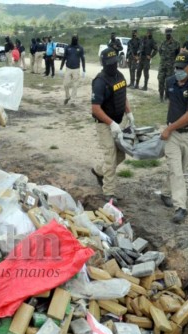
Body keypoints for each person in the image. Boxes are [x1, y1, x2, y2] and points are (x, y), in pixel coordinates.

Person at [160, 52, 188, 224]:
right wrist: (169, 126)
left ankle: (165, 192)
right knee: (176, 170)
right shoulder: (170, 81)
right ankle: (181, 207)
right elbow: (172, 102)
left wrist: (168, 128)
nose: (177, 71)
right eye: (176, 68)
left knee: (180, 168)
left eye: (181, 68)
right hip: (173, 135)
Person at [91, 48, 135, 206]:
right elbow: (95, 108)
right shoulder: (100, 81)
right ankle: (108, 192)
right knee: (110, 155)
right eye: (110, 63)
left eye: (115, 62)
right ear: (104, 63)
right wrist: (111, 124)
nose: (113, 65)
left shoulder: (120, 76)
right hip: (104, 124)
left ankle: (99, 171)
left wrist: (129, 113)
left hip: (119, 121)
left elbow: (122, 96)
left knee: (121, 154)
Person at [59, 34, 86, 105]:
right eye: (73, 38)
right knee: (65, 84)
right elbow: (64, 58)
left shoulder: (80, 48)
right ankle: (67, 97)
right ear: (72, 39)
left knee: (75, 85)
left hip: (76, 69)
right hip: (68, 68)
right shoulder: (68, 47)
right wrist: (61, 69)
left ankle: (73, 100)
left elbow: (83, 59)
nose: (74, 39)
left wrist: (84, 70)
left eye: (76, 38)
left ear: (77, 39)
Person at [157, 28, 180, 102]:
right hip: (162, 66)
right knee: (160, 80)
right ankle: (161, 96)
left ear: (171, 34)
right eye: (167, 34)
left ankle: (167, 96)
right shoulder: (163, 43)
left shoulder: (176, 44)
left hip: (170, 66)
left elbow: (178, 54)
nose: (168, 36)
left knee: (169, 82)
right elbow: (160, 52)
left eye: (169, 34)